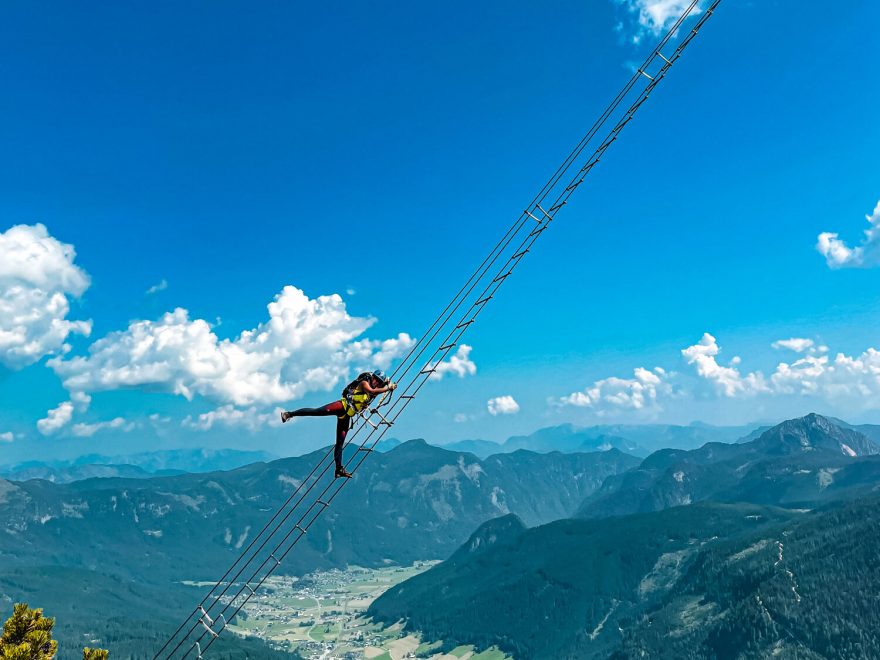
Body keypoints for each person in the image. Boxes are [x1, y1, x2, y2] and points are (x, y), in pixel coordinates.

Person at [281, 370, 397, 478]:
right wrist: (388, 388)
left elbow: (380, 388)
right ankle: (289, 414)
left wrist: (389, 385)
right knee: (317, 411)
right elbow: (373, 391)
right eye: (375, 379)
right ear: (372, 377)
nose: (376, 382)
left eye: (379, 381)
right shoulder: (364, 383)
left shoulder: (374, 389)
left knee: (340, 443)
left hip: (346, 416)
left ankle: (338, 469)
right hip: (342, 406)